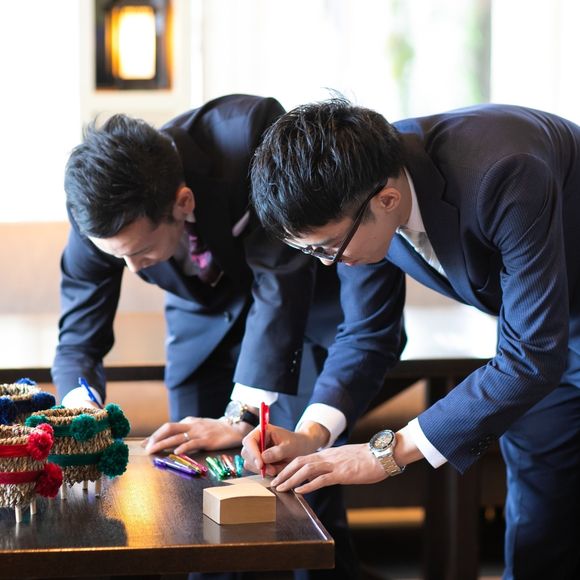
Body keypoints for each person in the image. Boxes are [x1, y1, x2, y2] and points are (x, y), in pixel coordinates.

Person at [244, 98, 580, 580]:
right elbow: (367, 333)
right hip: (545, 335)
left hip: (544, 335)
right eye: (309, 251)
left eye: (327, 247)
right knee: (538, 531)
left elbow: (530, 357)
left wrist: (386, 452)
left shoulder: (504, 171)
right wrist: (312, 435)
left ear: (387, 201)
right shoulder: (361, 193)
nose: (326, 262)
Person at [53, 94, 358, 578]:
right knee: (189, 484)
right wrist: (82, 408)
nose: (132, 270)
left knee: (300, 485)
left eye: (141, 251)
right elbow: (78, 338)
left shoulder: (250, 136)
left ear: (183, 202)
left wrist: (240, 414)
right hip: (199, 323)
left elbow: (280, 280)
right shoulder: (95, 207)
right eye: (117, 257)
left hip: (297, 317)